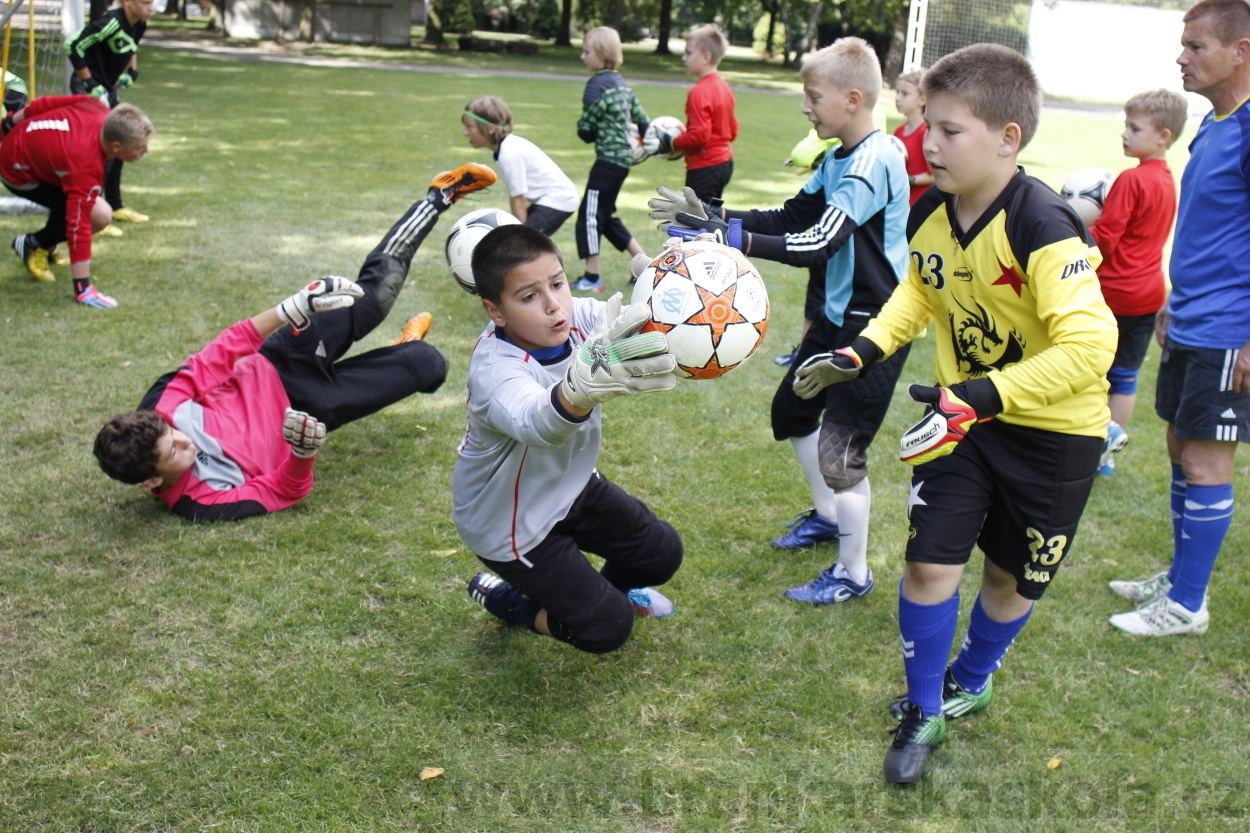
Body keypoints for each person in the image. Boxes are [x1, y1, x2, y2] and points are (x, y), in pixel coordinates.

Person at [795, 44, 1116, 784]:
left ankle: (971, 677)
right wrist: (863, 350)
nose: (928, 143)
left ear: (1009, 137)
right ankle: (922, 707)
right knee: (928, 562)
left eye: (949, 130)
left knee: (1008, 579)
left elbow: (1092, 345)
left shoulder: (1045, 224)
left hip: (1054, 436)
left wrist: (980, 394)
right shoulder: (936, 210)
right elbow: (920, 288)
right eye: (927, 127)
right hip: (960, 423)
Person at [651, 38, 911, 607]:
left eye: (813, 98)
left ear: (852, 97)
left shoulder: (874, 158)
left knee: (841, 450)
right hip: (839, 317)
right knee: (792, 411)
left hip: (875, 328)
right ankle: (827, 518)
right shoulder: (840, 153)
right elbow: (794, 213)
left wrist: (729, 238)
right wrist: (711, 216)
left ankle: (853, 571)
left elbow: (819, 240)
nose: (806, 108)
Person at [92, 164, 495, 520]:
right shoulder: (200, 502)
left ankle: (438, 196)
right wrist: (303, 453)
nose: (183, 438)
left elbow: (224, 350)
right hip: (311, 411)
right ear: (151, 483)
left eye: (172, 433)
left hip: (283, 359)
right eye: (174, 452)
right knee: (430, 366)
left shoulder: (161, 407)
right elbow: (285, 491)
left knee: (373, 297)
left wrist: (292, 308)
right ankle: (402, 350)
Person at [454, 224, 682, 654]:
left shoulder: (572, 315)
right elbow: (538, 423)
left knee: (661, 552)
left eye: (557, 283)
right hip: (510, 523)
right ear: (495, 311)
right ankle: (508, 601)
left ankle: (599, 596)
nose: (554, 305)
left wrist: (687, 262)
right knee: (607, 629)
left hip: (571, 485)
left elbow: (640, 323)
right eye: (529, 296)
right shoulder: (495, 370)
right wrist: (578, 389)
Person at [1108, 0, 1250, 636]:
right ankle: (1179, 575)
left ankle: (1188, 605)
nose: (1181, 57)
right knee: (1177, 446)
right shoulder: (1214, 125)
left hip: (1230, 327)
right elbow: (1209, 225)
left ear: (1240, 52)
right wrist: (1171, 296)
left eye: (1196, 46)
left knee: (1205, 461)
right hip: (1189, 314)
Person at [1089, 89, 1188, 477]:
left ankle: (1094, 438)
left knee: (1093, 373)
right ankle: (1107, 452)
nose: (1125, 135)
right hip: (1149, 294)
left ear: (1163, 135)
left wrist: (1075, 232)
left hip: (1113, 292)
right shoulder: (1167, 179)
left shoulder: (1131, 179)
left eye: (1135, 128)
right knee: (1126, 376)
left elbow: (1107, 239)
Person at [0, 96, 153, 308]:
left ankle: (43, 244)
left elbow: (44, 103)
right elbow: (78, 224)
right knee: (99, 217)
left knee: (87, 204)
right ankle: (32, 244)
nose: (146, 151)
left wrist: (8, 124)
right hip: (17, 173)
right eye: (140, 147)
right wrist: (83, 288)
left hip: (24, 147)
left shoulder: (95, 106)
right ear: (116, 147)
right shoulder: (85, 165)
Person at [65, 0, 156, 233]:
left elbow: (130, 45)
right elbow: (73, 45)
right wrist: (89, 83)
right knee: (100, 149)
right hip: (90, 88)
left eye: (152, 2)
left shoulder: (139, 23)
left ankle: (114, 206)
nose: (151, 8)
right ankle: (93, 213)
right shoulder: (111, 22)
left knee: (121, 145)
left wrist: (131, 72)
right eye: (146, 2)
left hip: (107, 87)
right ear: (128, 3)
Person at [572, 26, 650, 293]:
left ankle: (592, 278)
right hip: (622, 164)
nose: (583, 57)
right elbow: (643, 122)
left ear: (602, 54)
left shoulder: (596, 85)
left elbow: (585, 130)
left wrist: (589, 129)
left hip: (606, 162)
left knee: (589, 216)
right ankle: (646, 267)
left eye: (587, 51)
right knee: (605, 216)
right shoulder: (623, 85)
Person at [461, 95, 580, 236]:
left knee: (525, 244)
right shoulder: (504, 149)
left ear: (490, 128)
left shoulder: (509, 153)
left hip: (559, 199)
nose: (465, 133)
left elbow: (518, 199)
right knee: (526, 245)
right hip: (552, 199)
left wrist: (518, 236)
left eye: (469, 127)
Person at [657, 24, 738, 201]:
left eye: (688, 53)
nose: (683, 58)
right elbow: (732, 131)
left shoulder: (699, 91)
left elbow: (699, 136)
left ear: (706, 57)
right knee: (711, 220)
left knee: (697, 224)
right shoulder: (724, 87)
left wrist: (671, 143)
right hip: (724, 164)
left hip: (705, 168)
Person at [893, 69, 934, 205]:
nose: (898, 98)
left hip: (921, 205)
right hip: (901, 205)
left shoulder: (926, 132)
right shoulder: (899, 131)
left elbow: (934, 175)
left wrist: (907, 180)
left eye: (905, 94)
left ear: (922, 99)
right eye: (897, 92)